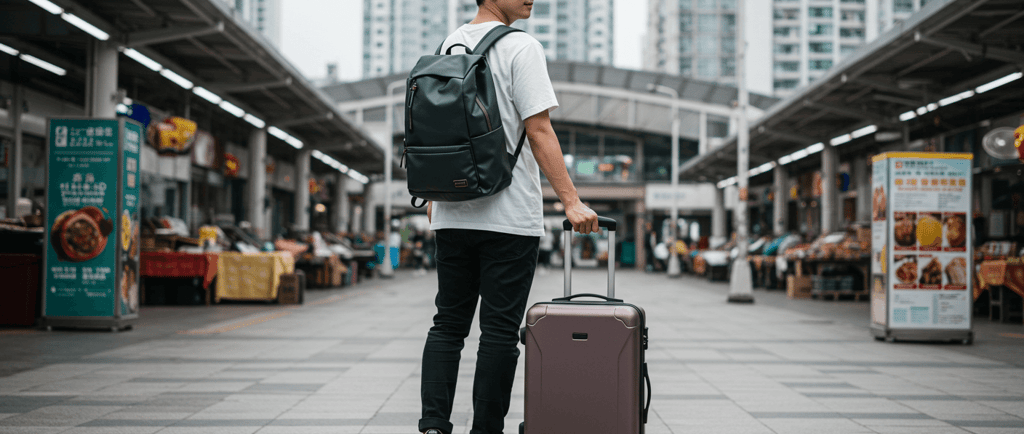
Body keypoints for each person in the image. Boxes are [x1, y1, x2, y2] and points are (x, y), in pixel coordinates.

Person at [418, 0, 599, 432]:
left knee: (447, 325)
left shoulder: (449, 44)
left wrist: (433, 195)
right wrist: (571, 201)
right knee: (499, 333)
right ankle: (486, 430)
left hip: (451, 214)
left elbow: (433, 127)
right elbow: (539, 129)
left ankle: (433, 426)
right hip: (508, 217)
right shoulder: (521, 47)